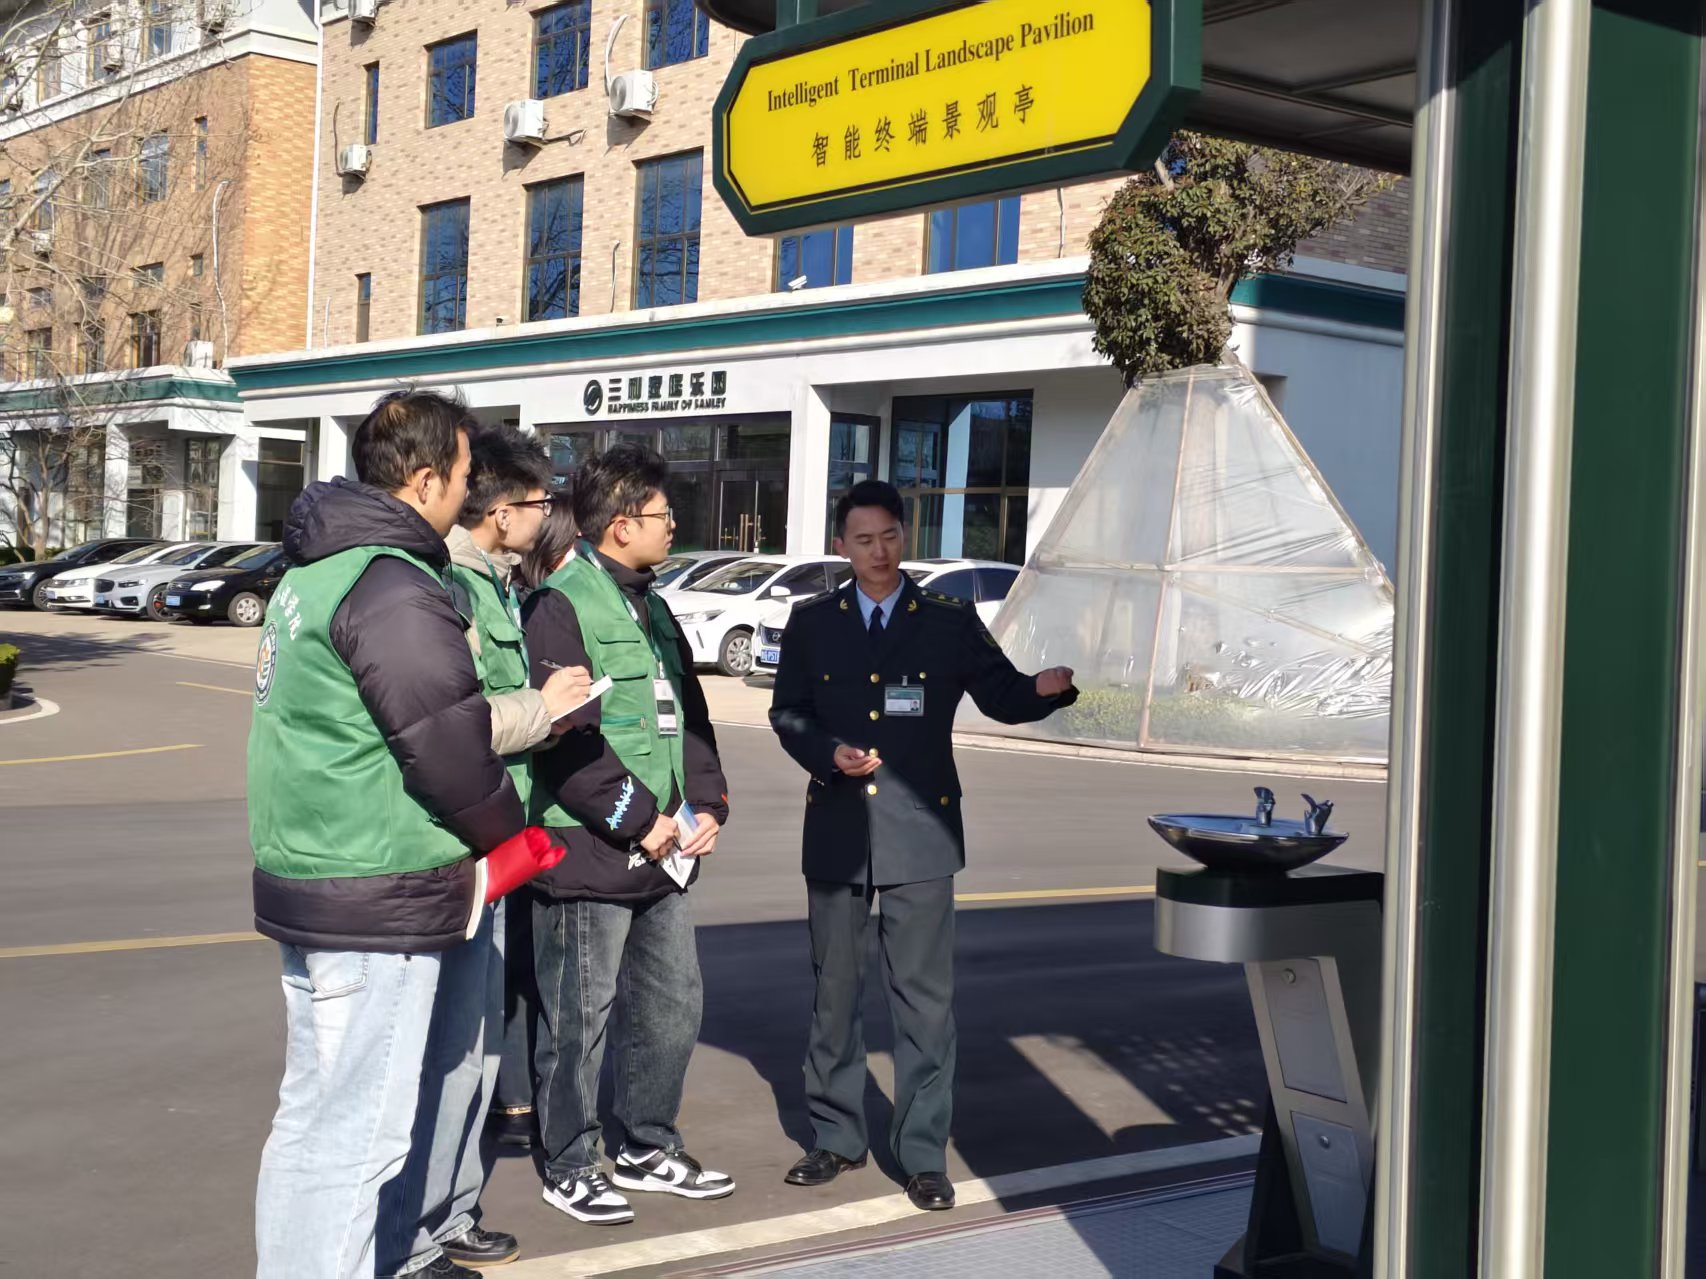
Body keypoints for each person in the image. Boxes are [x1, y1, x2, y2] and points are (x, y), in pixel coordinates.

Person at [250, 389, 529, 1279]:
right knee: (357, 1137)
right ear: (424, 479)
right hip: (381, 891)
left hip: (323, 878)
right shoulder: (391, 584)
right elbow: (448, 744)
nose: (470, 489)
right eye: (464, 473)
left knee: (313, 1124)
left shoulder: (314, 571)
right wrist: (509, 834)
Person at [768, 480, 1076, 1213]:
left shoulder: (946, 619)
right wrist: (829, 752)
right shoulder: (813, 622)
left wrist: (1045, 689)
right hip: (838, 830)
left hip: (921, 834)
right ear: (841, 546)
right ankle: (836, 1137)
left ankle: (922, 1154)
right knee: (835, 994)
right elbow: (788, 712)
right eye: (863, 540)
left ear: (904, 536)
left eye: (890, 536)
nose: (879, 552)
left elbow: (1001, 692)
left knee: (925, 1005)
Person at [380, 421, 595, 1279]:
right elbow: (458, 723)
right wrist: (546, 707)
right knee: (444, 1054)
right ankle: (417, 1232)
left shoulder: (499, 585)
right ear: (503, 512)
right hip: (458, 845)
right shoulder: (450, 588)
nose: (548, 517)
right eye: (540, 502)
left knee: (473, 1051)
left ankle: (449, 1211)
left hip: (495, 843)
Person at [522, 442, 735, 1225]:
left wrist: (707, 803)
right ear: (619, 524)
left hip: (665, 849)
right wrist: (640, 819)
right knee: (579, 1016)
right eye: (661, 514)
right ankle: (571, 1162)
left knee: (673, 1004)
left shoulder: (655, 606)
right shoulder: (559, 605)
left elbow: (689, 716)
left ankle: (648, 1143)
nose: (673, 524)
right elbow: (565, 740)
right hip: (594, 849)